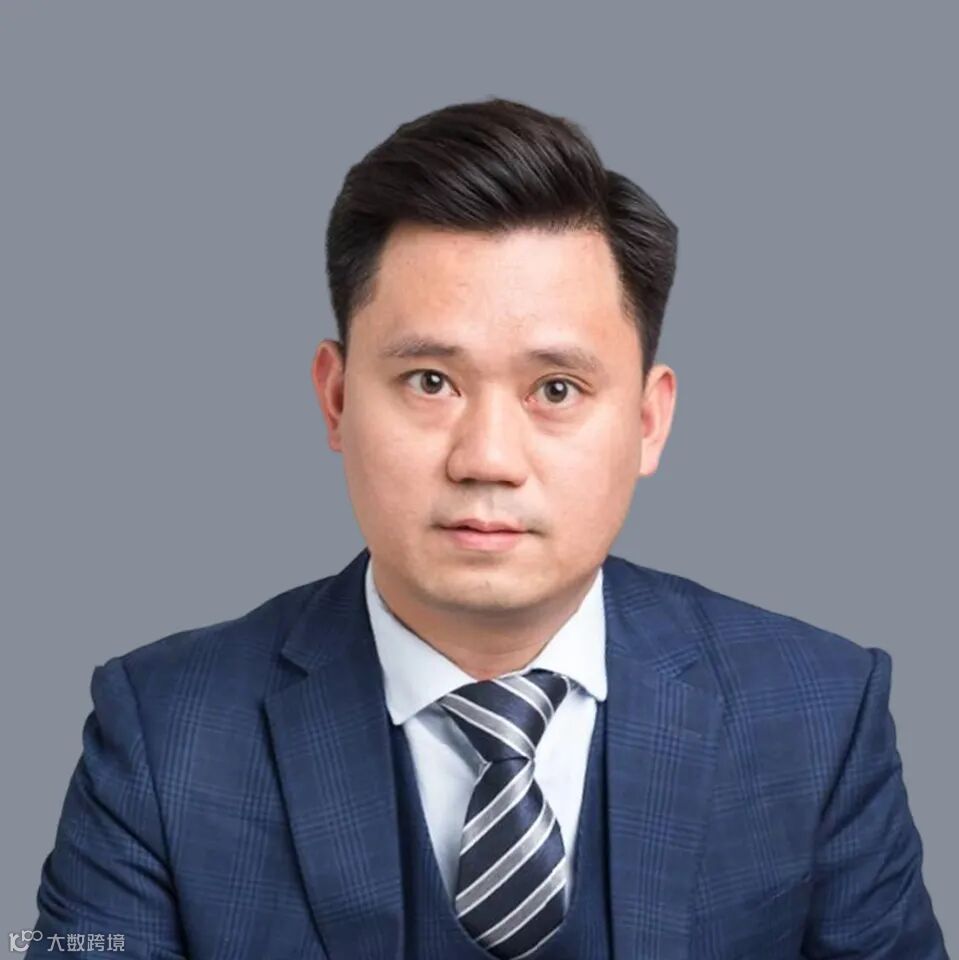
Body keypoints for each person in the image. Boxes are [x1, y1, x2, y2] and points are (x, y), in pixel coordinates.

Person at [26, 97, 948, 960]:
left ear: (647, 420)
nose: (487, 458)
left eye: (556, 389)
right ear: (337, 398)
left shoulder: (816, 714)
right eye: (430, 382)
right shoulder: (165, 730)